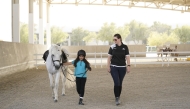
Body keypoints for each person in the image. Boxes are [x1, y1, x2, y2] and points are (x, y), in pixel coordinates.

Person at [107, 33, 131, 106]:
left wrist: (128, 65)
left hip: (122, 68)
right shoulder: (112, 47)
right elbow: (109, 58)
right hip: (113, 67)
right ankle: (117, 98)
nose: (114, 41)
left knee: (120, 83)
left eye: (115, 39)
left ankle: (118, 96)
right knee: (116, 82)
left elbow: (127, 57)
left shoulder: (125, 47)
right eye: (113, 39)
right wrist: (108, 66)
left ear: (119, 39)